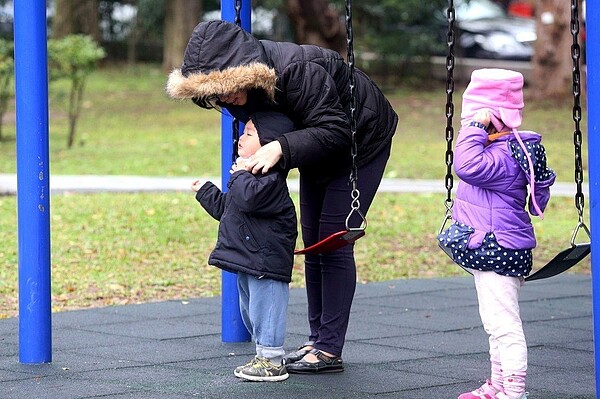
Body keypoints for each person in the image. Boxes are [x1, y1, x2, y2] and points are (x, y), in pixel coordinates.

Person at [167, 20, 398, 374]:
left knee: (333, 242)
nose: (224, 99)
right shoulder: (243, 91)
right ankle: (317, 339)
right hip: (311, 144)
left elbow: (335, 129)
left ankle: (328, 348)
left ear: (243, 71)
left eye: (227, 88)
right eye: (214, 94)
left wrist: (280, 147)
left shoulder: (298, 72)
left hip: (359, 141)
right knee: (314, 241)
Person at [438, 68, 555, 399]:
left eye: (475, 116)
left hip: (498, 247)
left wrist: (475, 124)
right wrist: (478, 125)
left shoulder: (504, 155)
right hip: (493, 245)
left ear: (492, 116)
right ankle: (497, 385)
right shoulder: (504, 147)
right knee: (494, 325)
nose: (469, 124)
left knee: (505, 327)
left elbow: (466, 166)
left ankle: (513, 392)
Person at [192, 111, 298, 382]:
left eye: (249, 133)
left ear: (269, 145)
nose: (240, 138)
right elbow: (229, 208)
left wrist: (239, 172)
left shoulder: (269, 178)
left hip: (266, 263)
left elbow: (249, 199)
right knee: (251, 311)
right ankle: (265, 353)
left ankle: (272, 359)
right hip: (249, 260)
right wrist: (206, 191)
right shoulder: (248, 178)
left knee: (267, 311)